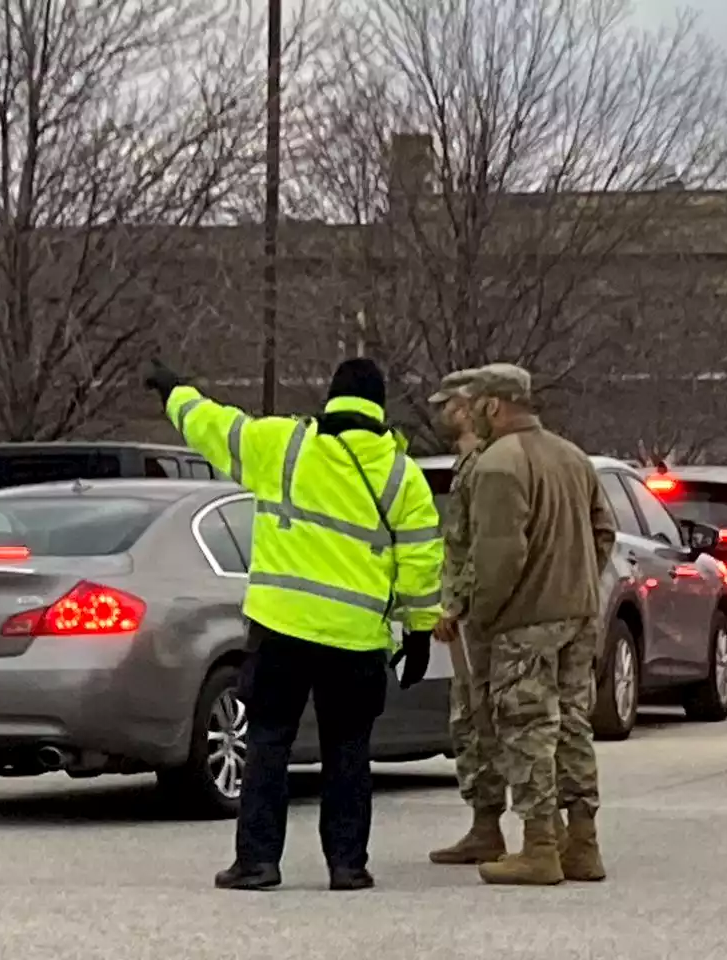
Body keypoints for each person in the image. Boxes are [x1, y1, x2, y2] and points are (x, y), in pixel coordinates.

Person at [145, 356, 443, 892]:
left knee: (268, 742)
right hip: (355, 638)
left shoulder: (283, 445)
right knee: (349, 751)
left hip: (280, 629)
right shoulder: (403, 476)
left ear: (330, 398)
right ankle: (347, 866)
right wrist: (419, 630)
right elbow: (421, 560)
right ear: (380, 408)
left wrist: (175, 392)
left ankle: (258, 863)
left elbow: (214, 426)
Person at [461, 363, 616, 886]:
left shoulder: (499, 464)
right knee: (574, 724)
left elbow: (499, 555)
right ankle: (584, 843)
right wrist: (581, 580)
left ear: (492, 406)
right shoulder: (573, 457)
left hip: (526, 619)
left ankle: (539, 846)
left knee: (528, 726)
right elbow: (604, 531)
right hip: (580, 614)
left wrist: (483, 614)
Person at [423, 369, 512, 866]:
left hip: (481, 614)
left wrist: (455, 603)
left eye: (451, 403)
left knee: (487, 721)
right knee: (471, 721)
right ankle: (484, 824)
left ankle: (499, 825)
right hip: (470, 610)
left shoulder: (486, 466)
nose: (444, 413)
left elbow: (483, 545)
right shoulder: (468, 465)